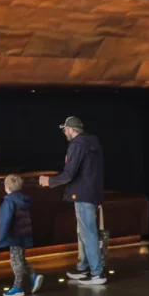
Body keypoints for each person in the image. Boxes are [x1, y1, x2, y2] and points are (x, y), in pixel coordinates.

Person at [39, 116, 106, 285]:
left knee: (88, 233)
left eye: (65, 129)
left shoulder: (77, 145)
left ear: (71, 129)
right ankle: (84, 267)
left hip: (82, 195)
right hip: (92, 193)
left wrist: (49, 181)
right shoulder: (93, 142)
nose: (64, 133)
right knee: (85, 232)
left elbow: (69, 174)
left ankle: (97, 272)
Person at [0, 174, 43, 296]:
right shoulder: (23, 199)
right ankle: (33, 275)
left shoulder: (8, 201)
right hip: (24, 233)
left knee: (15, 261)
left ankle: (18, 287)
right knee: (20, 258)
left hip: (14, 235)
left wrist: (1, 237)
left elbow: (5, 220)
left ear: (6, 186)